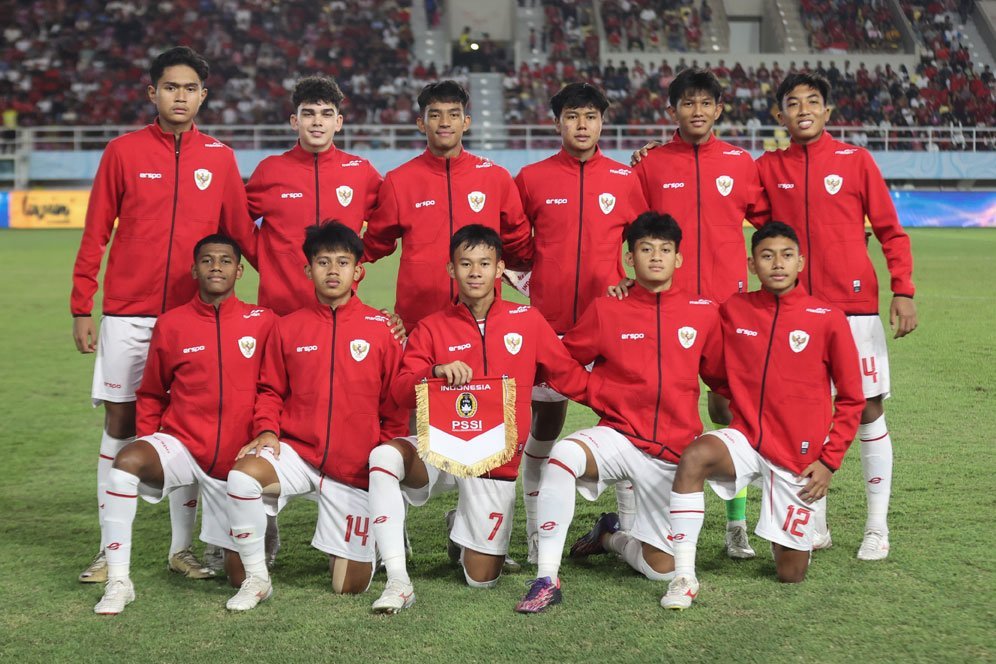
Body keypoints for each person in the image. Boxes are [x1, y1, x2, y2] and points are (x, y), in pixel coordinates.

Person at [71, 46, 255, 584]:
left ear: (204, 94)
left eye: (190, 87)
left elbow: (243, 236)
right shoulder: (123, 151)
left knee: (191, 427)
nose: (181, 96)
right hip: (128, 314)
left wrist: (292, 292)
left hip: (193, 316)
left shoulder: (220, 157)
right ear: (152, 92)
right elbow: (96, 231)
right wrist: (83, 304)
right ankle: (110, 548)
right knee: (121, 424)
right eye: (170, 87)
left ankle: (182, 548)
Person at [367, 224, 589, 614]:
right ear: (451, 269)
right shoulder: (433, 327)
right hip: (440, 448)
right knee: (384, 459)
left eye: (484, 263)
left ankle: (461, 525)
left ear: (500, 268)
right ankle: (399, 580)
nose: (475, 272)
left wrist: (624, 402)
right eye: (465, 263)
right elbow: (400, 390)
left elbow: (570, 377)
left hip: (494, 463)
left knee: (480, 579)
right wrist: (433, 372)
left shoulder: (528, 321)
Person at [514, 212, 725, 613]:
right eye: (646, 249)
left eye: (665, 250)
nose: (656, 258)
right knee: (561, 458)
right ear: (630, 259)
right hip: (619, 436)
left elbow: (720, 376)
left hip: (673, 452)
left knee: (661, 569)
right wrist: (596, 393)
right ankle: (546, 577)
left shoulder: (703, 312)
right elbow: (564, 361)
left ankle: (609, 536)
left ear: (679, 259)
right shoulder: (607, 309)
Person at [660, 221, 864, 610]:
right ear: (752, 265)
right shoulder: (733, 310)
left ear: (801, 262)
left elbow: (853, 399)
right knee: (695, 456)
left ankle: (812, 525)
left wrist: (829, 462)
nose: (777, 264)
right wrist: (627, 290)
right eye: (766, 256)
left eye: (786, 255)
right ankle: (684, 576)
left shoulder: (827, 317)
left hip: (798, 456)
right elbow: (687, 324)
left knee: (790, 574)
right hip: (747, 438)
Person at [756, 72, 918, 560]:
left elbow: (890, 230)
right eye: (792, 102)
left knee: (867, 410)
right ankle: (816, 524)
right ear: (779, 116)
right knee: (806, 415)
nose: (803, 108)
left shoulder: (855, 160)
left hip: (854, 309)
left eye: (813, 101)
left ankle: (876, 527)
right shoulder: (766, 166)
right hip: (797, 312)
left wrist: (903, 291)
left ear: (827, 112)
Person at [225, 221, 407, 611]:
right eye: (323, 262)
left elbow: (395, 403)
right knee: (242, 476)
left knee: (348, 588)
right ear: (308, 271)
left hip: (354, 468)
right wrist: (268, 431)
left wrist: (382, 458)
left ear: (358, 270)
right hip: (298, 454)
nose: (333, 270)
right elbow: (270, 390)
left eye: (343, 262)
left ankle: (375, 533)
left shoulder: (382, 329)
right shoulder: (288, 326)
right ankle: (257, 580)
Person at [630, 67, 770, 559]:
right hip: (663, 308)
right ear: (672, 111)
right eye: (687, 103)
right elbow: (628, 230)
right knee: (653, 402)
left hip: (727, 307)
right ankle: (640, 518)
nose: (697, 111)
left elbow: (771, 223)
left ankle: (737, 524)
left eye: (705, 103)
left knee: (728, 407)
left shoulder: (741, 162)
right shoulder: (649, 165)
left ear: (718, 109)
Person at [93, 235, 275, 615]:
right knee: (125, 464)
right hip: (184, 445)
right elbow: (152, 392)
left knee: (239, 575)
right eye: (207, 260)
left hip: (237, 460)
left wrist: (264, 428)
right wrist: (149, 437)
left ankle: (240, 551)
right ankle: (118, 580)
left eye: (225, 261)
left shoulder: (263, 321)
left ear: (240, 270)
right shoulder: (172, 324)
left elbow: (273, 386)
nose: (216, 267)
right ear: (194, 270)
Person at [513, 82, 648, 563]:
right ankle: (534, 536)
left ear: (602, 122)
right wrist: (523, 282)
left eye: (590, 116)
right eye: (572, 116)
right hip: (548, 328)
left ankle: (631, 531)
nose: (582, 125)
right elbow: (511, 244)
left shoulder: (625, 180)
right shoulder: (530, 178)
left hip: (610, 326)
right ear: (557, 123)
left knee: (628, 427)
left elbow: (645, 247)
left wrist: (628, 289)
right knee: (543, 428)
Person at [361, 80, 533, 334]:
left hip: (483, 318)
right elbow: (377, 242)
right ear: (421, 123)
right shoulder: (399, 181)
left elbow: (518, 243)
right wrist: (338, 251)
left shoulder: (496, 178)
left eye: (453, 114)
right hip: (418, 320)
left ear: (466, 122)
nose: (444, 123)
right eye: (435, 115)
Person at [246, 75, 382, 316]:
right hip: (279, 311)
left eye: (326, 114)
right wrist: (266, 262)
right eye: (308, 113)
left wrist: (358, 256)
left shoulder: (361, 172)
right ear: (294, 121)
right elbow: (238, 223)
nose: (317, 121)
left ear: (338, 122)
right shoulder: (270, 170)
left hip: (338, 310)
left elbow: (388, 222)